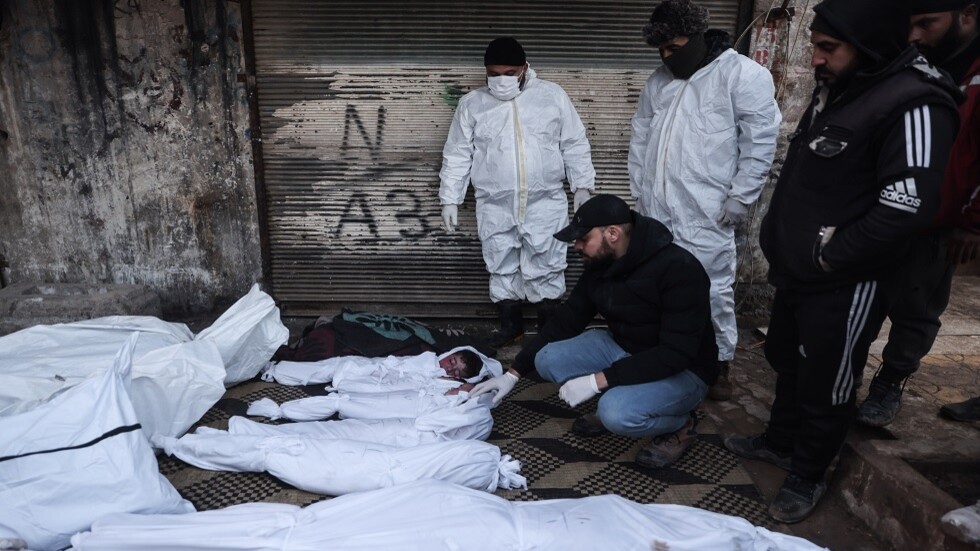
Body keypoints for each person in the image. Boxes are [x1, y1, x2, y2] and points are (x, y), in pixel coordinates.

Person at [723, 0, 960, 524]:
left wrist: (831, 256)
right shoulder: (845, 89)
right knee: (787, 358)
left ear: (869, 44)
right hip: (801, 273)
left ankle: (807, 474)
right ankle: (780, 442)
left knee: (827, 380)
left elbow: (905, 208)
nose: (816, 60)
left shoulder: (915, 102)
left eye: (827, 48)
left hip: (846, 280)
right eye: (813, 47)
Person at [469, 194, 718, 469]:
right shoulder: (600, 264)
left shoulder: (680, 270)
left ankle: (682, 423)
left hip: (684, 369)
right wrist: (513, 374)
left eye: (583, 238)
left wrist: (597, 381)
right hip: (626, 348)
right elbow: (567, 320)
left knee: (616, 414)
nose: (576, 246)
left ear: (612, 233)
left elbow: (675, 354)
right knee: (547, 359)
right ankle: (621, 394)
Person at [628, 0, 781, 402]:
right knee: (660, 289)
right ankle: (667, 359)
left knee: (711, 290)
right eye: (660, 50)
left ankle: (719, 365)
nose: (666, 57)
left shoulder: (741, 75)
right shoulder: (659, 81)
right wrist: (640, 195)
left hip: (707, 212)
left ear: (695, 37)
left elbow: (760, 141)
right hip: (658, 210)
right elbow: (641, 140)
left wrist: (740, 197)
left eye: (674, 48)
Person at [857, 0, 980, 427]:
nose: (915, 35)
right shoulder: (905, 64)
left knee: (916, 310)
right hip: (879, 215)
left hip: (938, 223)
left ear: (965, 16)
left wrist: (971, 221)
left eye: (927, 24)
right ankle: (842, 381)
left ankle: (890, 383)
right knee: (862, 304)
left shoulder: (974, 75)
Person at [439, 37, 596, 347]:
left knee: (548, 260)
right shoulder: (472, 104)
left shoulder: (551, 96)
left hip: (545, 199)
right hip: (494, 202)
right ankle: (511, 327)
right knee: (500, 260)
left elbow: (574, 143)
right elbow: (458, 152)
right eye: (494, 73)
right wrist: (450, 197)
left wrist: (583, 185)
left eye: (510, 73)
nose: (501, 80)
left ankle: (548, 331)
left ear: (525, 68)